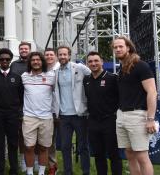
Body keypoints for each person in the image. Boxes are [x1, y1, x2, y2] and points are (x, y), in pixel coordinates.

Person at [113, 36, 156, 175]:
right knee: (129, 155)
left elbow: (152, 92)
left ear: (128, 48)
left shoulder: (141, 65)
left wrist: (150, 119)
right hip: (122, 115)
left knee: (142, 156)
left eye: (120, 46)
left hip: (137, 116)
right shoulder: (122, 68)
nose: (118, 49)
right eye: (115, 47)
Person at [54, 46, 91, 175]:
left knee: (83, 146)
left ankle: (85, 171)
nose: (62, 57)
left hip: (79, 114)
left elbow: (93, 75)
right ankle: (68, 172)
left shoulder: (79, 68)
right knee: (65, 146)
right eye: (60, 54)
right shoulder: (56, 71)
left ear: (69, 56)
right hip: (63, 116)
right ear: (57, 56)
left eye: (65, 54)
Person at [83, 51, 122, 175]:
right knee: (98, 155)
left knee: (113, 154)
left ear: (102, 62)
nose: (93, 63)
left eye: (96, 61)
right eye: (90, 61)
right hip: (93, 122)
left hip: (110, 121)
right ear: (87, 64)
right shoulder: (86, 79)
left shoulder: (112, 78)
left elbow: (121, 98)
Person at [0, 48, 23, 175]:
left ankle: (13, 169)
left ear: (10, 60)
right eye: (2, 59)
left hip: (13, 115)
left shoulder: (17, 77)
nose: (4, 61)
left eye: (7, 59)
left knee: (13, 143)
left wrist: (17, 112)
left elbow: (21, 96)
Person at [21, 52, 56, 175]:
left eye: (38, 60)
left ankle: (41, 172)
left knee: (43, 147)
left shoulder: (51, 76)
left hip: (46, 117)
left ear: (42, 62)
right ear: (30, 62)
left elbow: (57, 94)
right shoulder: (24, 76)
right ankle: (29, 172)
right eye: (33, 60)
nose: (36, 62)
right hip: (29, 117)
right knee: (29, 147)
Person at [10, 41, 31, 171]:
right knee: (20, 135)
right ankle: (22, 160)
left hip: (32, 103)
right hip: (17, 103)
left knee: (31, 135)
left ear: (29, 49)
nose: (23, 50)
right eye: (21, 49)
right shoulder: (14, 65)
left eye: (25, 48)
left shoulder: (35, 61)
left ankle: (33, 160)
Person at [43, 47, 60, 175]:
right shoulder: (43, 71)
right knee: (50, 140)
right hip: (49, 111)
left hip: (63, 110)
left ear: (56, 56)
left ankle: (69, 165)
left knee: (65, 141)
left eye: (51, 55)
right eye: (47, 55)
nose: (49, 57)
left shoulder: (61, 69)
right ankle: (52, 165)